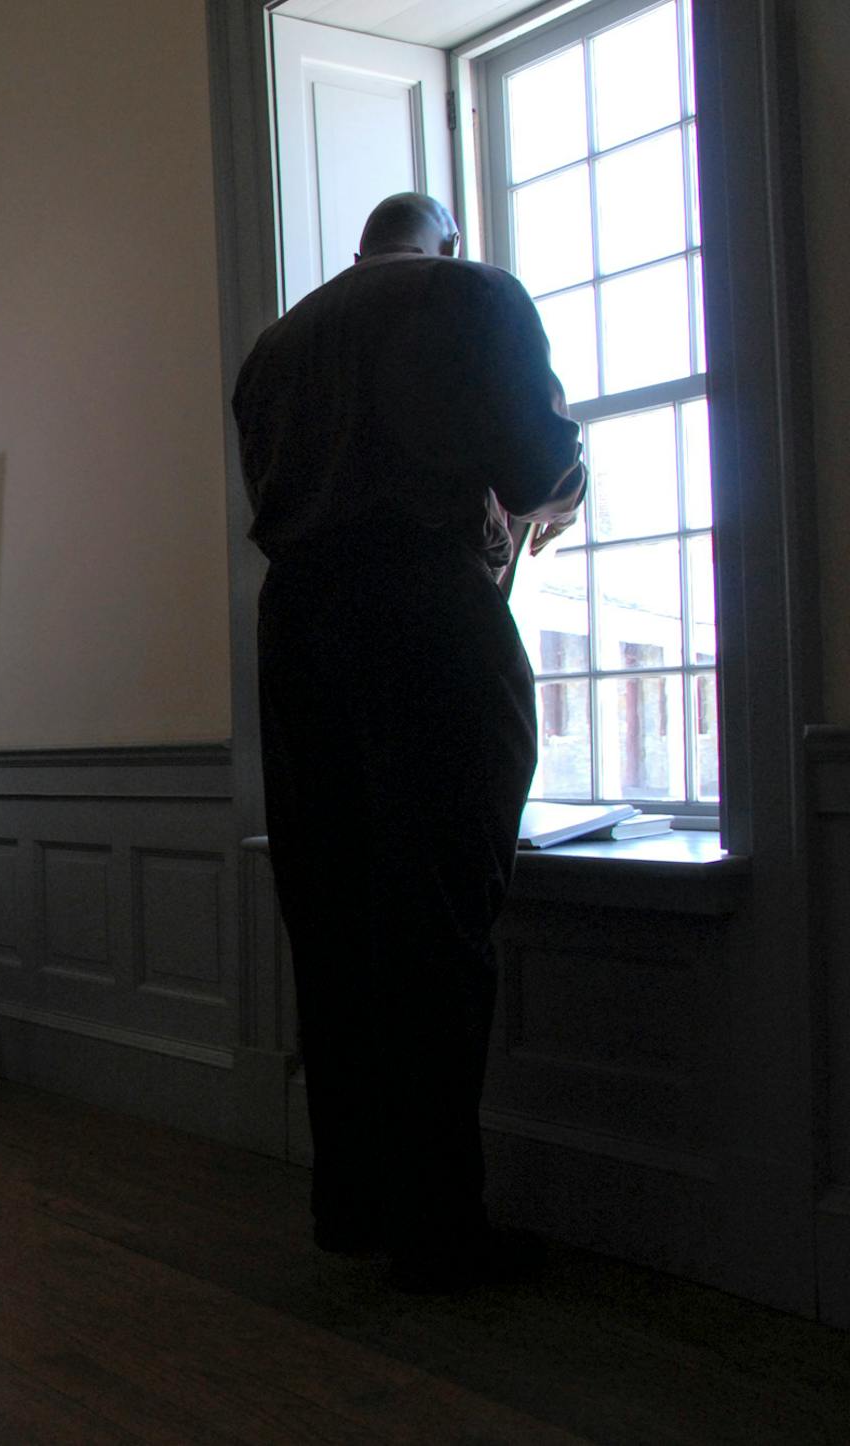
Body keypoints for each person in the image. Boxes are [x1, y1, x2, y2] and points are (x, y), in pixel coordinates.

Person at [232, 192, 587, 1293]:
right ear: (449, 243)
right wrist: (556, 490)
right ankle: (442, 1229)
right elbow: (539, 470)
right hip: (427, 616)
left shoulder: (274, 346)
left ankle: (354, 1201)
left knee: (334, 923)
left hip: (297, 631)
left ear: (358, 254)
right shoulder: (475, 294)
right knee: (438, 923)